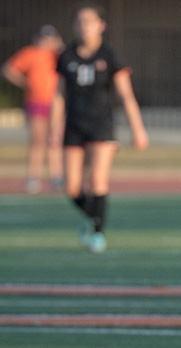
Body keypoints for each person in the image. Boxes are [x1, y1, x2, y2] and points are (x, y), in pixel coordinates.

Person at [55, 3, 148, 254]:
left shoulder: (109, 56)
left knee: (98, 180)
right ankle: (92, 217)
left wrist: (138, 129)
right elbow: (60, 96)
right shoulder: (66, 56)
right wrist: (55, 127)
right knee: (72, 187)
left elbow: (126, 95)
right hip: (74, 124)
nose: (83, 26)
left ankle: (97, 233)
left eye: (89, 21)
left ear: (101, 26)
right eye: (79, 21)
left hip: (101, 125)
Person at [3, 25, 65, 194]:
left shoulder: (58, 55)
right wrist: (25, 82)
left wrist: (59, 46)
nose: (47, 41)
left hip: (56, 103)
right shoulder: (30, 53)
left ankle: (56, 177)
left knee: (55, 140)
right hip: (36, 102)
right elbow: (9, 69)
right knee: (38, 141)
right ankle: (33, 177)